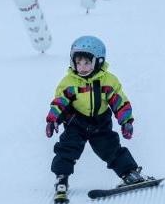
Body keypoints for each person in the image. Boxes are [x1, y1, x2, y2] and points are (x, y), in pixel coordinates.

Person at [46, 36, 144, 204]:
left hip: (100, 123)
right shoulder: (69, 82)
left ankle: (129, 173)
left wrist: (126, 121)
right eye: (78, 62)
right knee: (67, 149)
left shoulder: (108, 81)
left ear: (98, 61)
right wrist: (52, 119)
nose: (82, 67)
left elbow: (119, 101)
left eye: (87, 62)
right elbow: (59, 102)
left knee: (111, 148)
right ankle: (61, 179)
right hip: (76, 123)